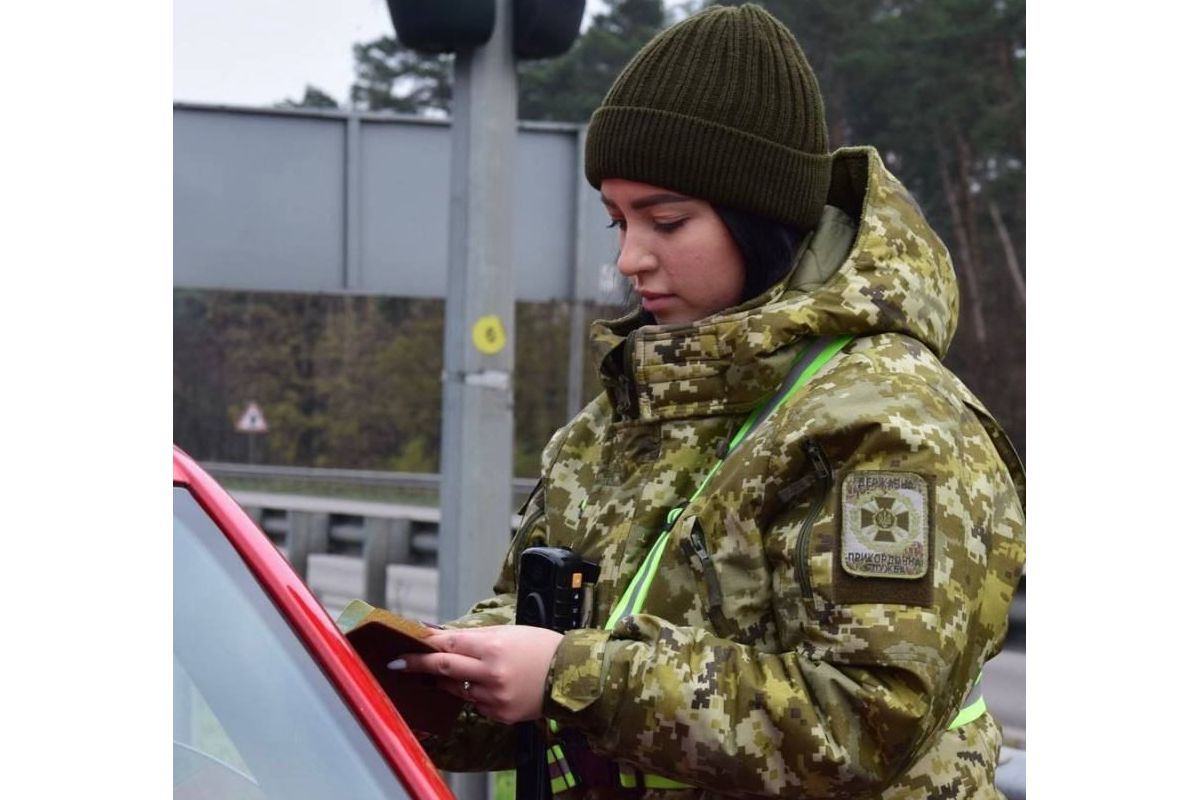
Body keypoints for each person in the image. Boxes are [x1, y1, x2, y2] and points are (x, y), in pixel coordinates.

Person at [396, 4, 1026, 797]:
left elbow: (863, 719)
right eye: (618, 220)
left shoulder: (886, 422)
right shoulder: (622, 420)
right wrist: (424, 676)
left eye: (666, 221)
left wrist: (571, 675)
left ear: (759, 218)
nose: (631, 258)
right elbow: (532, 649)